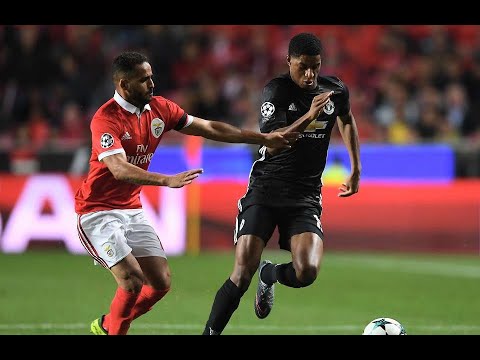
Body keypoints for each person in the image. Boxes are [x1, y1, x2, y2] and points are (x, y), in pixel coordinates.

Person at [74, 51, 299, 335]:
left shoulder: (159, 108)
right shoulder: (106, 119)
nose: (152, 84)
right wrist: (165, 181)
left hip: (131, 208)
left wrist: (261, 137)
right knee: (131, 281)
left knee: (160, 284)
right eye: (144, 80)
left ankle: (109, 325)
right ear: (124, 85)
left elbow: (208, 127)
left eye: (151, 76)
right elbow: (119, 169)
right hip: (97, 212)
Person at [202, 32, 361, 335]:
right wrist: (309, 116)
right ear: (289, 61)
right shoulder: (276, 92)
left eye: (315, 66)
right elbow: (274, 144)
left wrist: (356, 168)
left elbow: (347, 118)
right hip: (266, 190)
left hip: (305, 196)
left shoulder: (335, 89)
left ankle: (271, 274)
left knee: (308, 271)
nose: (310, 74)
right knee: (242, 272)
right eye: (303, 66)